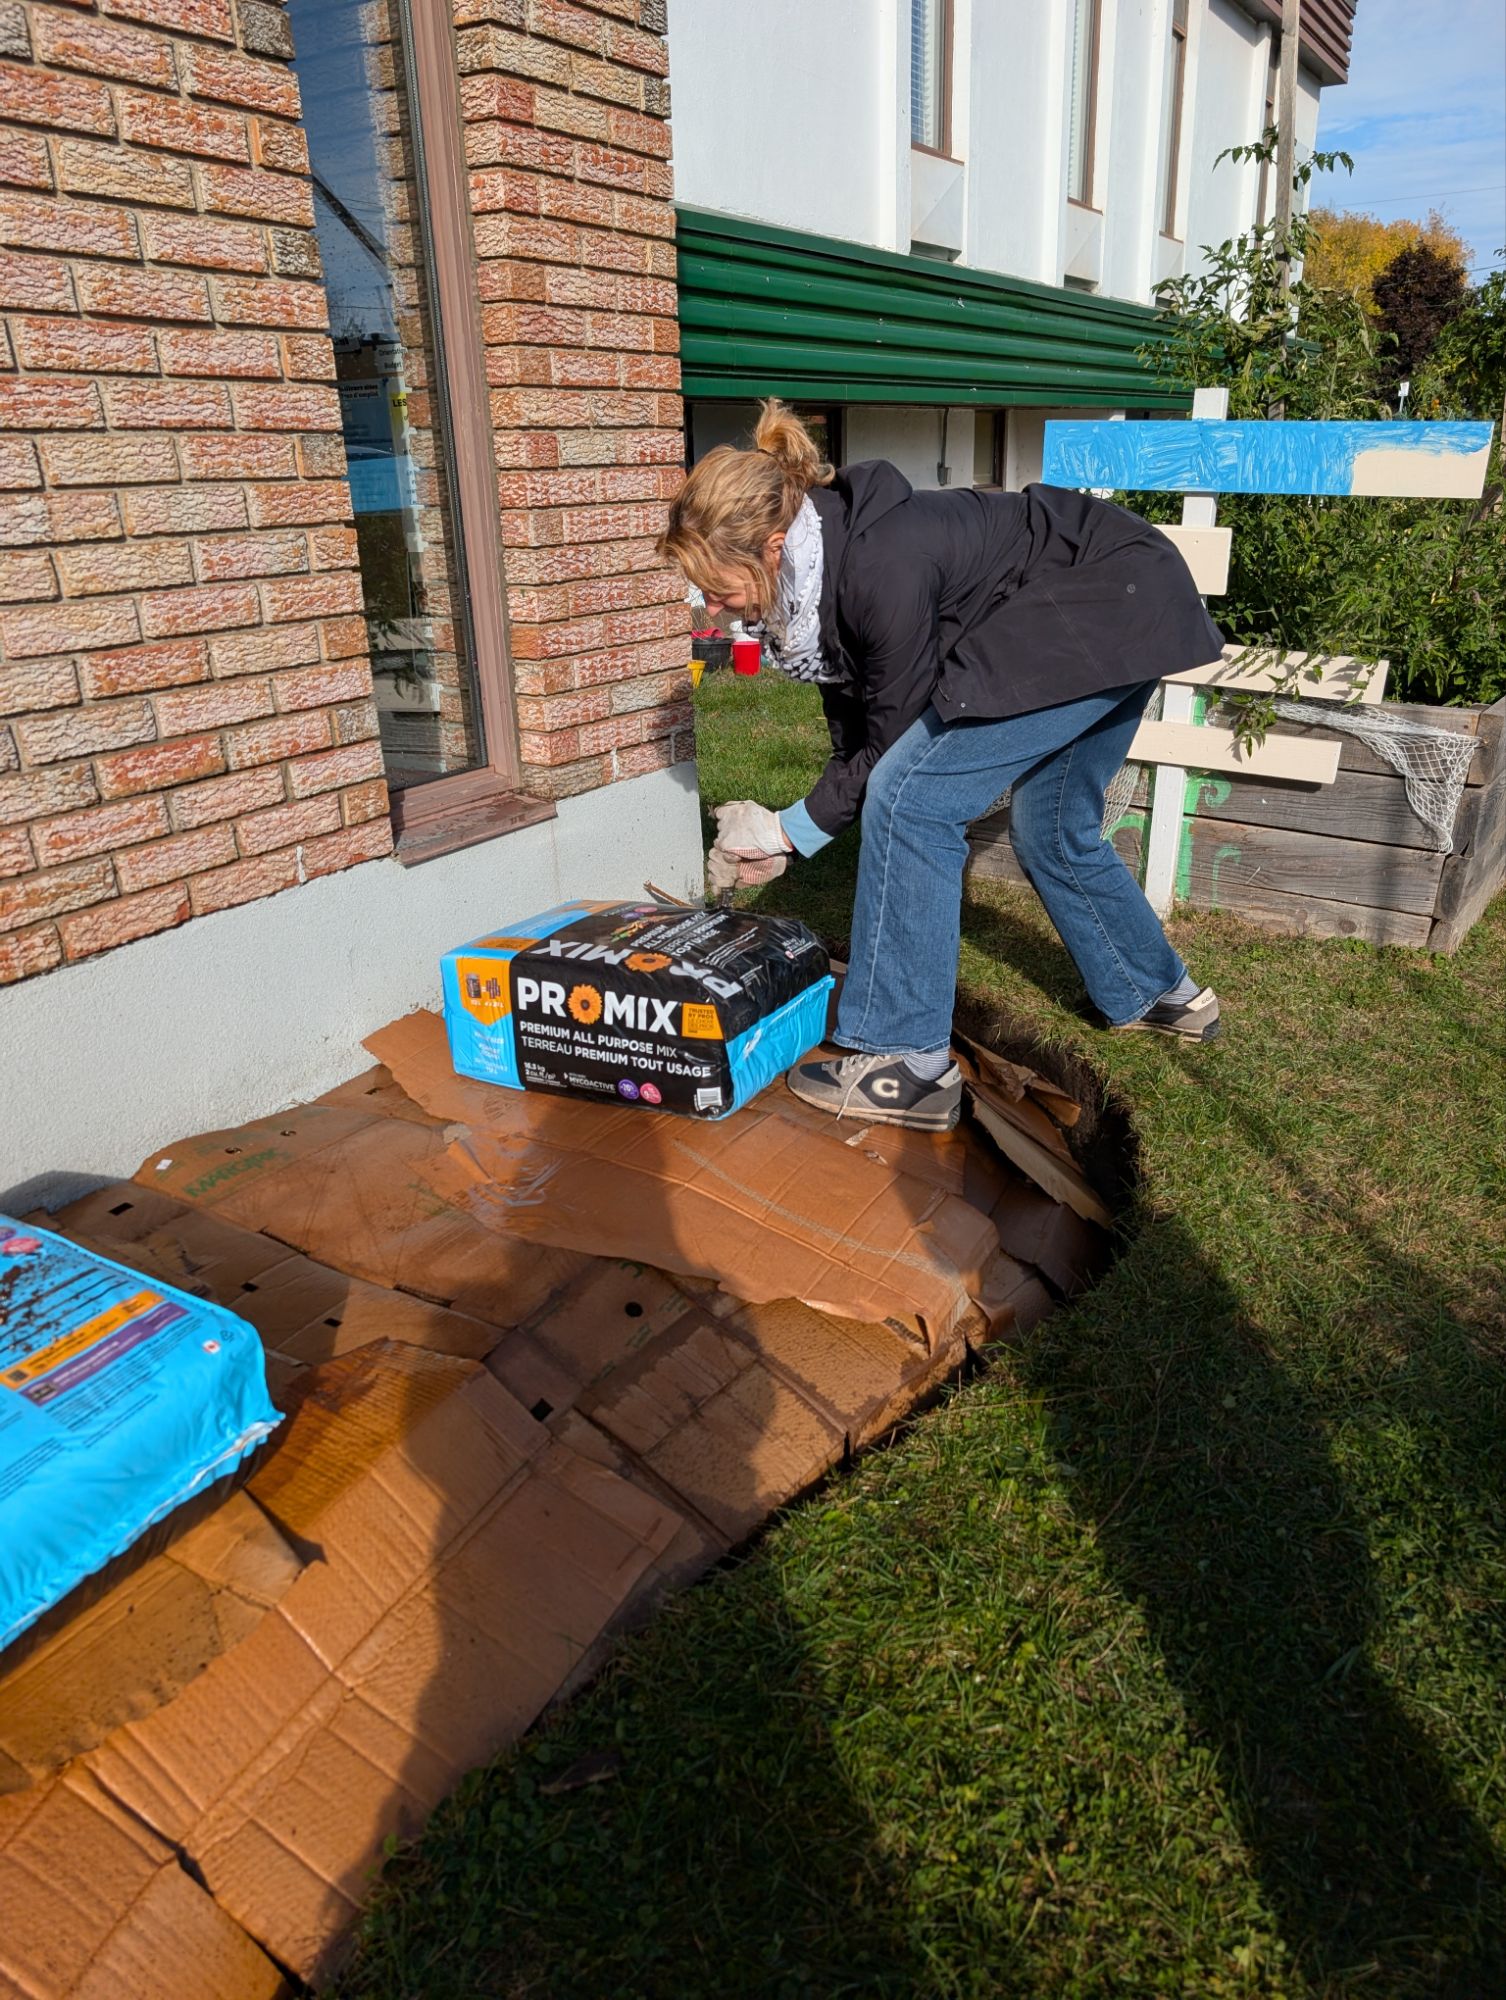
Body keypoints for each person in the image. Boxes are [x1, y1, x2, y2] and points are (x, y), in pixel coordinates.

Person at [657, 401, 1226, 1134]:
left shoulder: (879, 565)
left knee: (912, 799)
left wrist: (790, 830)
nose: (710, 607)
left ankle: (904, 1061)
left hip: (1105, 600)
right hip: (1126, 592)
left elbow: (891, 749)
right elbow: (864, 719)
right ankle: (1159, 993)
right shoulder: (824, 559)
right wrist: (794, 831)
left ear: (771, 546)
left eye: (717, 584)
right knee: (1051, 824)